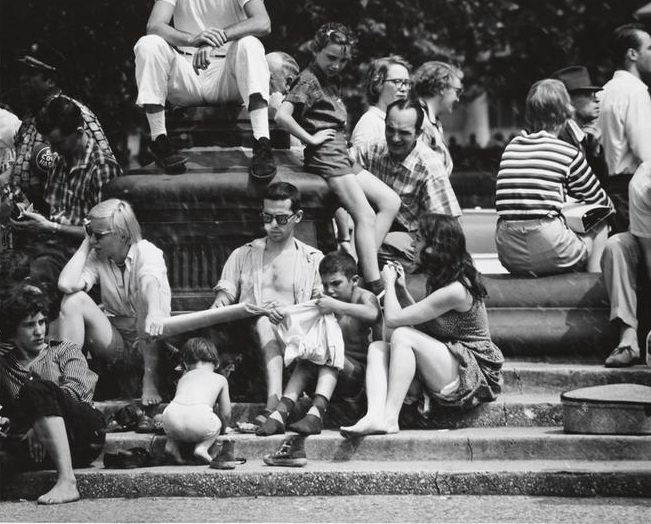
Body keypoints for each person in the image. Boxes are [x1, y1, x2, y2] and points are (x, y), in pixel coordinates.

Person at [340, 214, 503, 436]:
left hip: (471, 373)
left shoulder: (456, 289)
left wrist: (386, 282)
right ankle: (374, 415)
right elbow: (422, 321)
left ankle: (390, 418)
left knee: (402, 336)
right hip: (448, 363)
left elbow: (395, 319)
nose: (412, 244)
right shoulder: (440, 280)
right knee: (377, 347)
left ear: (435, 246)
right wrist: (401, 290)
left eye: (418, 239)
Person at [274, 22, 400, 295]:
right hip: (327, 155)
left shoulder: (333, 80)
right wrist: (310, 139)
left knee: (391, 201)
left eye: (342, 60)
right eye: (331, 57)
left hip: (341, 153)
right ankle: (374, 283)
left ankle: (355, 266)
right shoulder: (308, 79)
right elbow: (281, 116)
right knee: (364, 214)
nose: (336, 65)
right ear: (316, 50)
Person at [210, 182, 323, 425]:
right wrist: (221, 301)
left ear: (298, 217)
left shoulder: (312, 259)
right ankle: (275, 403)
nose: (272, 225)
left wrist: (288, 314)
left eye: (281, 219)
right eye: (267, 217)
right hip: (249, 339)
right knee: (262, 321)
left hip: (295, 337)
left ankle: (276, 403)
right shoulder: (244, 253)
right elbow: (226, 291)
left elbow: (319, 304)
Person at [134, 0, 276, 180]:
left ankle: (262, 143)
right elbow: (154, 26)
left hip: (227, 72)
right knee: (148, 44)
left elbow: (263, 22)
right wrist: (192, 40)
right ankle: (159, 140)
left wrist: (217, 38)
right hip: (188, 70)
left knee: (250, 43)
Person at [56, 199, 171, 406]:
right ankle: (72, 382)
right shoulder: (97, 255)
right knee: (73, 300)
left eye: (98, 235)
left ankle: (149, 379)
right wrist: (86, 243)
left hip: (152, 340)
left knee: (143, 299)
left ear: (123, 234)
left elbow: (149, 284)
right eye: (90, 233)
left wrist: (154, 311)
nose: (93, 240)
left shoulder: (146, 251)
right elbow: (66, 284)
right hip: (118, 343)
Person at [255, 251, 381, 436]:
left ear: (354, 280)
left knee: (325, 353)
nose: (330, 290)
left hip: (354, 378)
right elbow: (299, 320)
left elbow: (373, 313)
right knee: (310, 353)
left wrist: (337, 307)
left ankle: (315, 414)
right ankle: (281, 413)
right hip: (323, 377)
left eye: (336, 283)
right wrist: (280, 315)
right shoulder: (324, 302)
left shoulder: (363, 297)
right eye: (325, 284)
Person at [495, 79, 613, 276]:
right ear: (566, 111)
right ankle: (594, 285)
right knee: (600, 217)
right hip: (551, 246)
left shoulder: (512, 146)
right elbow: (602, 201)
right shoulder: (565, 152)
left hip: (508, 251)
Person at [0, 284, 106, 504]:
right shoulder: (4, 366)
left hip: (82, 435)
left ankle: (68, 482)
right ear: (12, 330)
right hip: (36, 448)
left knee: (36, 388)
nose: (39, 331)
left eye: (41, 322)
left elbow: (77, 393)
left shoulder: (64, 350)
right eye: (29, 325)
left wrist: (38, 420)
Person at [9, 96, 121, 288]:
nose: (52, 150)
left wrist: (52, 228)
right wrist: (28, 214)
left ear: (79, 133)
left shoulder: (102, 168)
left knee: (34, 278)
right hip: (52, 246)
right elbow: (55, 213)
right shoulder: (60, 161)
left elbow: (106, 234)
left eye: (58, 143)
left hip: (84, 256)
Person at [7, 42, 115, 216]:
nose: (23, 79)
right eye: (22, 74)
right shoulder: (29, 120)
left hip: (69, 225)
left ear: (50, 80)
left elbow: (105, 177)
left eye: (31, 74)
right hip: (34, 222)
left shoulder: (73, 114)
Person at [351, 98, 461, 267]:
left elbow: (449, 228)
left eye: (404, 133)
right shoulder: (371, 150)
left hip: (415, 240)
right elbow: (341, 163)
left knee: (366, 244)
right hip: (375, 230)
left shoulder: (429, 166)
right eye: (390, 129)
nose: (395, 138)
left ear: (418, 133)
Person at [598, 24, 651, 233]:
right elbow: (646, 154)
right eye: (649, 48)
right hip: (632, 192)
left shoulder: (604, 92)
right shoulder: (636, 92)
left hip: (608, 191)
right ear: (632, 54)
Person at [600, 161, 651, 367]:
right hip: (645, 241)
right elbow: (649, 254)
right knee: (615, 246)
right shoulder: (641, 182)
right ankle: (628, 338)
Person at [162, 337, 231, 464]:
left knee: (179, 413)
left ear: (186, 365)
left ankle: (171, 445)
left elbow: (182, 406)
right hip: (200, 421)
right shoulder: (220, 379)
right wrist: (223, 428)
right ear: (217, 363)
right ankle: (202, 448)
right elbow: (226, 413)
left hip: (169, 419)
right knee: (216, 422)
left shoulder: (183, 378)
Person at [552, 66, 608, 187]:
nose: (596, 99)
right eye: (587, 94)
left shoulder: (583, 137)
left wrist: (595, 151)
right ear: (568, 100)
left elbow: (599, 185)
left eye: (595, 94)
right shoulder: (560, 137)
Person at [412, 61, 464, 178]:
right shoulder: (419, 122)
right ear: (442, 88)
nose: (458, 99)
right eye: (457, 91)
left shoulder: (432, 122)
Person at [350, 55, 411, 148]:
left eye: (406, 83)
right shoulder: (369, 124)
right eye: (397, 81)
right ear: (378, 84)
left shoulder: (396, 122)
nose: (404, 88)